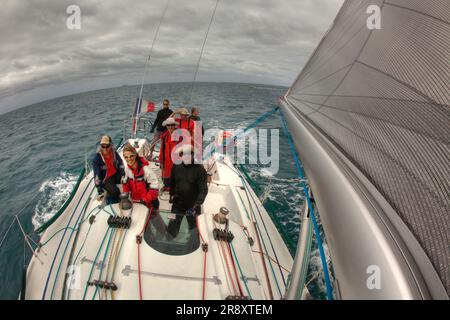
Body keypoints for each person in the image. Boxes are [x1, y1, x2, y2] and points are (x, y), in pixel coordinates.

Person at [167, 144, 208, 238]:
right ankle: (169, 240)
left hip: (193, 206)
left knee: (194, 229)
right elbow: (172, 183)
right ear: (180, 156)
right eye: (183, 154)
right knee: (172, 226)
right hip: (178, 204)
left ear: (193, 155)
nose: (186, 156)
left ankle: (193, 243)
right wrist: (171, 195)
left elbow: (203, 189)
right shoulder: (176, 166)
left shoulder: (200, 170)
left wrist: (197, 204)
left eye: (189, 154)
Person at [122, 144, 160, 211]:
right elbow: (125, 183)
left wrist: (145, 200)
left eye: (131, 156)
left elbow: (155, 189)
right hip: (135, 202)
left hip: (149, 204)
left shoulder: (146, 170)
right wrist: (126, 195)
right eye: (126, 157)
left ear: (136, 155)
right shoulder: (127, 169)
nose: (129, 159)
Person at [93, 135, 124, 203]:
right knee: (115, 191)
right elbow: (97, 176)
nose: (105, 148)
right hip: (106, 179)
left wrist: (122, 174)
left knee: (127, 181)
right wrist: (99, 190)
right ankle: (118, 201)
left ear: (110, 145)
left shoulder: (114, 153)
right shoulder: (97, 159)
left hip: (115, 174)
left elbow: (121, 163)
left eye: (107, 146)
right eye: (103, 146)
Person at [159, 117, 180, 190]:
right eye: (168, 125)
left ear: (175, 125)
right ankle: (167, 187)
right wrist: (161, 160)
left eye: (172, 125)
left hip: (177, 161)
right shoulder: (164, 136)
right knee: (166, 176)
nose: (170, 127)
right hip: (166, 160)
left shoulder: (180, 136)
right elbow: (162, 149)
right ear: (166, 126)